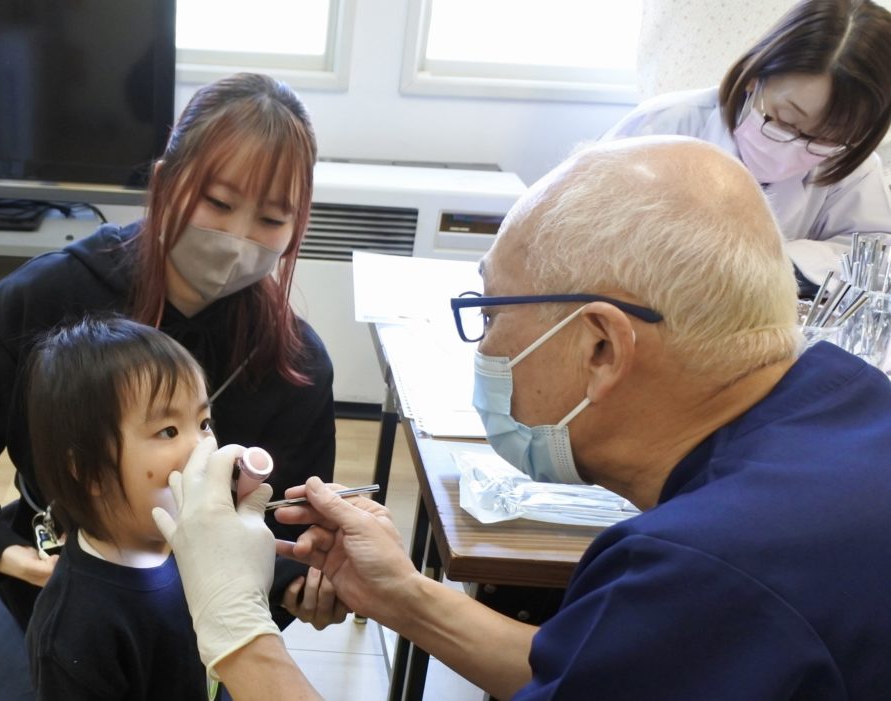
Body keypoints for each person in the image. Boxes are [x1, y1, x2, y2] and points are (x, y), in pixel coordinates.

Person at [154, 136, 891, 700]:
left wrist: (235, 627)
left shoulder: (708, 574)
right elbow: (593, 673)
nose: (483, 347)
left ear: (601, 348)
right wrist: (403, 593)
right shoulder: (845, 398)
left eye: (490, 313)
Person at [0, 73, 342, 700]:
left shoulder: (297, 363)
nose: (237, 238)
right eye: (217, 203)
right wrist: (5, 553)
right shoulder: (46, 297)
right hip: (52, 593)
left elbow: (286, 529)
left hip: (204, 628)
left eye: (270, 219)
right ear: (165, 181)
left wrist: (302, 584)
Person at [604, 0, 891, 290]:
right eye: (785, 120)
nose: (793, 148)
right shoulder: (662, 125)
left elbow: (876, 253)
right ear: (754, 76)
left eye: (825, 138)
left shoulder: (853, 166)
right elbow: (590, 225)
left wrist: (773, 262)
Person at [24, 316, 228, 699]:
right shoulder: (76, 634)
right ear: (92, 471)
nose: (204, 448)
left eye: (204, 422)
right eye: (168, 431)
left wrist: (306, 572)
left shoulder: (193, 538)